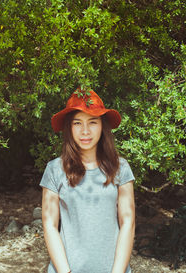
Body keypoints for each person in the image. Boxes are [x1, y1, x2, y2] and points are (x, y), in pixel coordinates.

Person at [40, 88, 135, 273]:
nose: (85, 131)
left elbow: (128, 221)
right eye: (77, 123)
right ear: (69, 127)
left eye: (92, 122)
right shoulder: (54, 169)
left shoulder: (121, 168)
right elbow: (49, 224)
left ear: (102, 126)